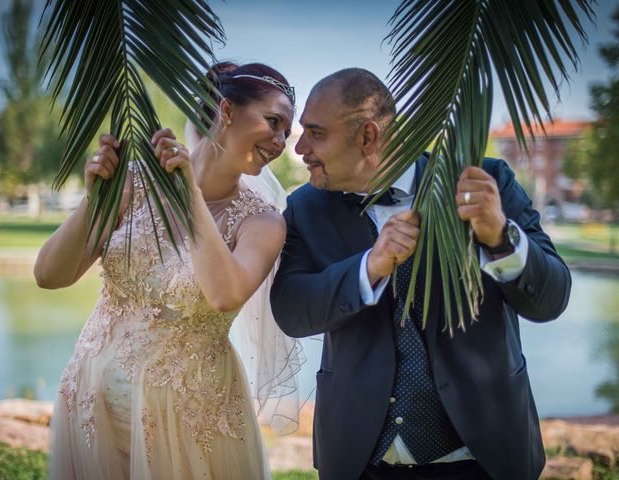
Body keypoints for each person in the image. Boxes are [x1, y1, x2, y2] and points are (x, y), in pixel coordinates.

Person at [270, 68, 572, 480]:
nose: (300, 147)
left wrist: (501, 237)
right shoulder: (305, 208)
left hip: (486, 457)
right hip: (360, 462)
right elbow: (290, 309)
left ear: (369, 136)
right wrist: (368, 268)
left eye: (316, 133)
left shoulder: (485, 182)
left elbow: (551, 299)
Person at [35, 62, 301, 479]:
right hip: (91, 399)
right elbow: (49, 275)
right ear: (227, 111)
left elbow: (224, 294)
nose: (281, 141)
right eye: (274, 122)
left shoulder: (263, 223)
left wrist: (189, 195)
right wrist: (93, 202)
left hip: (186, 419)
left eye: (286, 130)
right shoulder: (135, 183)